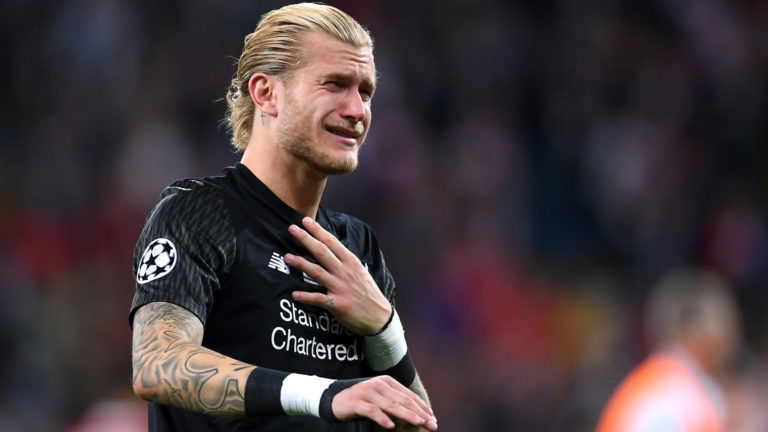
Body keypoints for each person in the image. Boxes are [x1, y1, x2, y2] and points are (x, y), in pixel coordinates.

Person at [128, 3, 437, 431]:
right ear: (266, 93)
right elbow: (158, 364)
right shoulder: (200, 213)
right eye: (335, 84)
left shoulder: (357, 246)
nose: (357, 110)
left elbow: (415, 425)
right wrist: (323, 394)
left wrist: (385, 331)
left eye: (365, 92)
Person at [596, 268, 739, 432]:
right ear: (696, 328)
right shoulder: (680, 395)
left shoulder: (649, 383)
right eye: (724, 321)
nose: (732, 333)